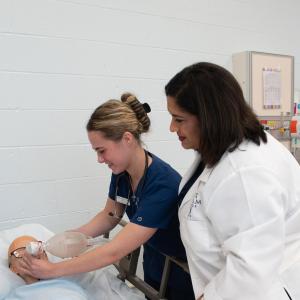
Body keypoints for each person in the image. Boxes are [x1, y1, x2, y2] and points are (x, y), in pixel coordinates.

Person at [19, 93, 194, 299]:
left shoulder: (163, 185)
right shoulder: (122, 173)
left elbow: (114, 251)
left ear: (127, 139)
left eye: (102, 151)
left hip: (181, 270)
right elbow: (110, 215)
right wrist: (64, 238)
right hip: (155, 259)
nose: (100, 160)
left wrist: (52, 270)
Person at [165, 62, 300, 300]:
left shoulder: (246, 172)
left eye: (179, 119)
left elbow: (250, 268)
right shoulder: (218, 149)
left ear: (208, 117)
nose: (172, 127)